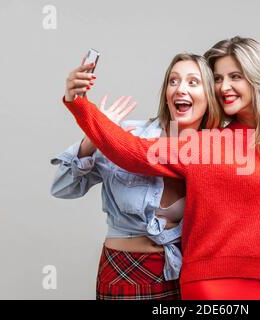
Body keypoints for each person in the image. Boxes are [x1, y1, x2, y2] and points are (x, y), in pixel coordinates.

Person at [61, 36, 260, 300]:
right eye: (217, 79)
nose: (224, 87)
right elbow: (131, 151)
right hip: (209, 287)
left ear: (259, 77)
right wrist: (80, 104)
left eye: (235, 76)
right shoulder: (207, 143)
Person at [50, 53, 221, 300]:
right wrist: (96, 134)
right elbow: (62, 187)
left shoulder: (218, 151)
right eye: (173, 81)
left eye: (193, 82)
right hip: (122, 275)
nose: (180, 89)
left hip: (183, 276)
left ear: (209, 96)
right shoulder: (130, 135)